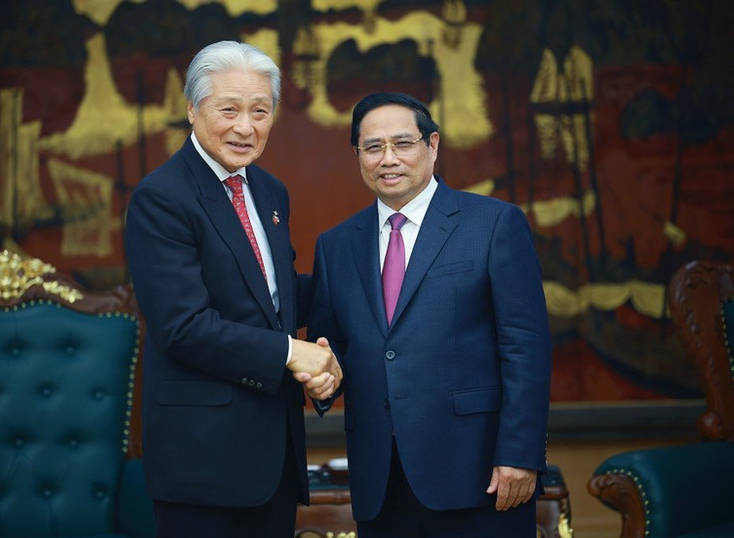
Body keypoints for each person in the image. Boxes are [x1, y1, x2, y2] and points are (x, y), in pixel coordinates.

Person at [305, 92, 552, 537]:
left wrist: (520, 453)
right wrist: (323, 379)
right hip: (381, 480)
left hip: (480, 474)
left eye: (403, 143)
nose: (388, 159)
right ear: (358, 155)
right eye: (373, 147)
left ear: (432, 145)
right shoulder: (336, 245)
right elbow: (331, 344)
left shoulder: (494, 223)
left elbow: (526, 348)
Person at [124, 40, 340, 538]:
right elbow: (182, 326)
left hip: (274, 457)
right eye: (229, 109)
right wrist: (292, 352)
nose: (246, 127)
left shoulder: (268, 190)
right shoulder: (162, 197)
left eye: (260, 111)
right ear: (192, 110)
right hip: (202, 464)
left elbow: (272, 299)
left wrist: (365, 282)